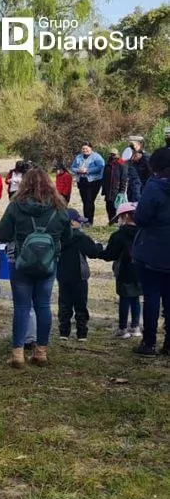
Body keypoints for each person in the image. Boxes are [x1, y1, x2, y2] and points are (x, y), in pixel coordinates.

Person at [0, 168, 71, 368]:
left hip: (21, 262)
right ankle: (41, 352)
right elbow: (68, 237)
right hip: (48, 263)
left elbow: (2, 234)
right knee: (43, 306)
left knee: (21, 307)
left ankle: (18, 354)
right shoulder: (59, 206)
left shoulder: (16, 206)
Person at [131, 135, 170, 356]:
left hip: (152, 252)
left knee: (152, 297)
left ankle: (149, 342)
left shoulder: (154, 188)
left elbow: (142, 217)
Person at [56, 209, 102, 341]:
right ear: (72, 222)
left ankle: (63, 332)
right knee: (81, 304)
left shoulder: (58, 237)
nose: (81, 224)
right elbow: (93, 252)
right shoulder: (81, 237)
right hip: (80, 276)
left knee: (64, 304)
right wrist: (98, 246)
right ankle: (82, 333)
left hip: (63, 275)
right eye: (78, 221)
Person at [100, 202, 142, 339]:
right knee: (136, 298)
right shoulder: (143, 231)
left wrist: (98, 251)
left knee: (124, 299)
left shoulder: (119, 234)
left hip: (125, 271)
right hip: (142, 271)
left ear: (125, 216)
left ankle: (123, 328)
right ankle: (136, 327)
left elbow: (110, 255)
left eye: (119, 217)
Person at [70, 142, 105, 224]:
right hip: (82, 181)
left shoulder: (96, 156)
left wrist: (88, 170)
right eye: (83, 149)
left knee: (90, 201)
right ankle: (85, 220)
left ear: (90, 148)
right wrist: (78, 170)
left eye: (86, 148)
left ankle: (90, 220)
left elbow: (101, 166)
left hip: (93, 181)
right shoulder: (78, 157)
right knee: (85, 201)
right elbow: (73, 167)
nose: (84, 150)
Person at [103, 150, 129, 221]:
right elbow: (105, 178)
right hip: (108, 190)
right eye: (111, 154)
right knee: (108, 207)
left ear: (118, 154)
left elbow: (124, 178)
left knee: (116, 206)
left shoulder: (122, 164)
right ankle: (111, 222)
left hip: (117, 189)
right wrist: (104, 190)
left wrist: (122, 191)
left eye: (114, 154)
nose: (112, 156)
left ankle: (117, 222)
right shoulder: (107, 164)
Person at [128, 139, 152, 203]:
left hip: (142, 192)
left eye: (133, 146)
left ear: (140, 145)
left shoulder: (146, 158)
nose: (131, 148)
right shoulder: (131, 160)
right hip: (133, 193)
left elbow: (152, 175)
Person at [125, 136, 147, 202]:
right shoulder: (130, 153)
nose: (130, 146)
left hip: (138, 180)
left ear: (139, 144)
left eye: (132, 144)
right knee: (130, 198)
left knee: (137, 198)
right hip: (130, 179)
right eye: (130, 144)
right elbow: (122, 162)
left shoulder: (143, 156)